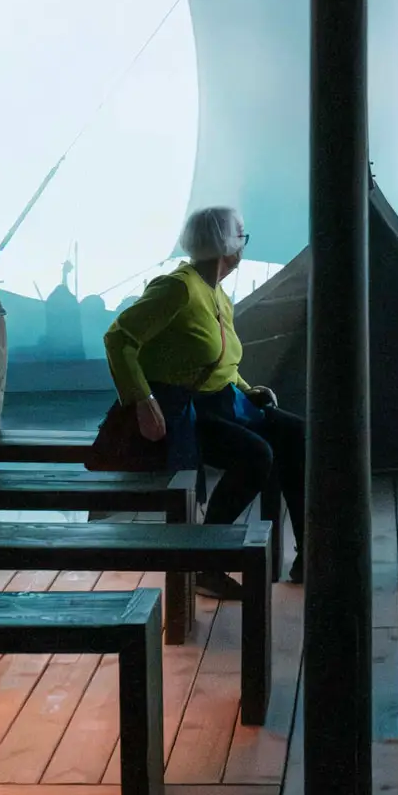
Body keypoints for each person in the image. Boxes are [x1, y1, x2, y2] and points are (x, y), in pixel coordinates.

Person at [103, 206, 305, 592]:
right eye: (240, 235)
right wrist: (142, 399)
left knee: (297, 434)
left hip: (223, 401)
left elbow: (220, 361)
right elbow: (118, 338)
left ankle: (309, 554)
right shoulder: (177, 288)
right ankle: (205, 563)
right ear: (227, 244)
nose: (244, 243)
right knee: (256, 455)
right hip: (186, 409)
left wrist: (247, 389)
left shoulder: (216, 292)